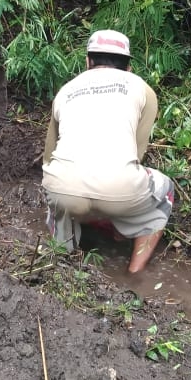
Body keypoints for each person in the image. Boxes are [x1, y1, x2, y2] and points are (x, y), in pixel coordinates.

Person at [42, 30, 174, 273]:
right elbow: (137, 155)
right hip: (119, 189)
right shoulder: (142, 89)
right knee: (166, 188)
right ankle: (135, 274)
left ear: (87, 62)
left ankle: (61, 260)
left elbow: (48, 158)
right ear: (129, 68)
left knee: (56, 190)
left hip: (64, 190)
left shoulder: (66, 90)